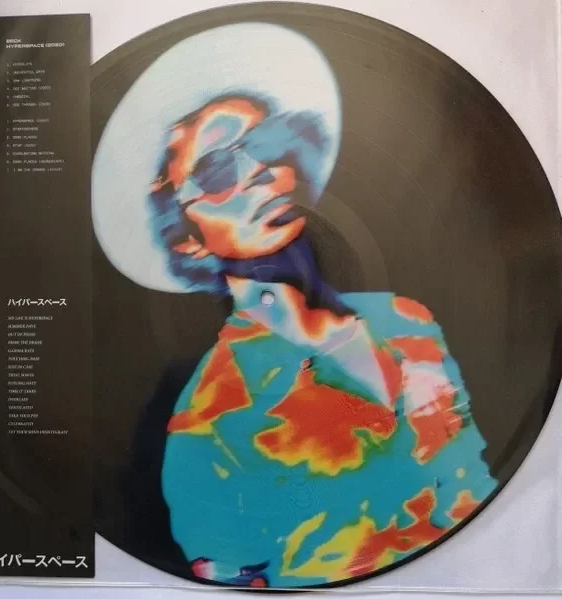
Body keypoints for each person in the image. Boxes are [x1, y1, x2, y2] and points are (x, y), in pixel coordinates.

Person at [145, 93, 497, 588]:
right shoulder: (207, 422)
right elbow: (231, 578)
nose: (261, 171)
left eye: (266, 144)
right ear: (189, 240)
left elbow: (476, 490)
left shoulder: (404, 320)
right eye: (217, 172)